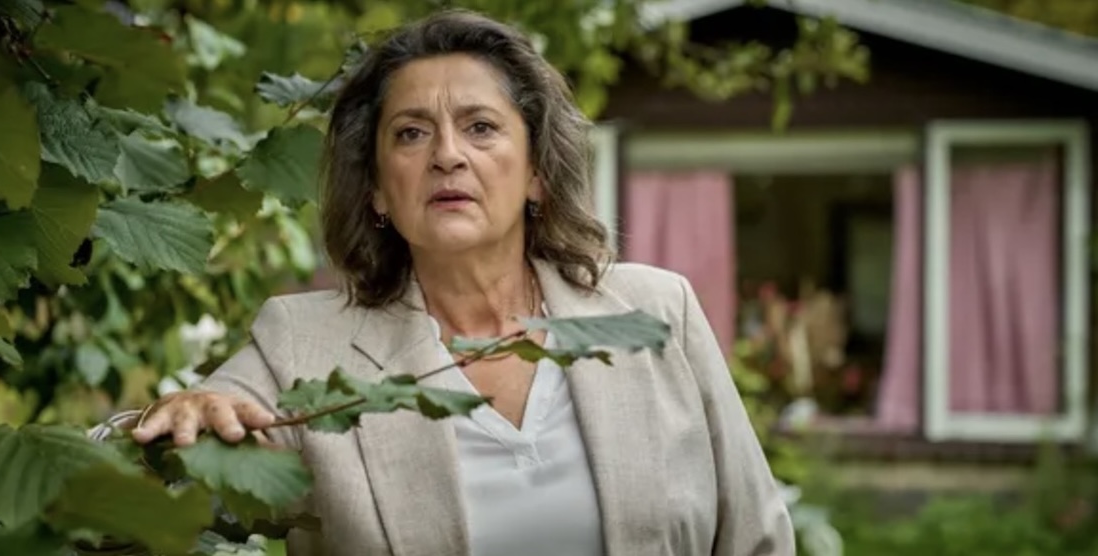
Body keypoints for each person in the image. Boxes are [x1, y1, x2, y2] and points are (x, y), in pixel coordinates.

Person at [130, 8, 794, 556]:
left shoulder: (658, 311)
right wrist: (176, 419)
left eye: (481, 127)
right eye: (412, 133)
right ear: (379, 192)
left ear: (535, 172)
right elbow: (157, 482)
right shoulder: (302, 345)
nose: (448, 154)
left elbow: (760, 539)